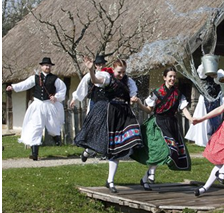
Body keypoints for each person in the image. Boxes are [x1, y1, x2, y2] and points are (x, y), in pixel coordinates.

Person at [74, 57, 142, 193]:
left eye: (123, 72)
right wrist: (90, 70)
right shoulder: (107, 77)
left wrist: (133, 99)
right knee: (99, 140)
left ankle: (110, 180)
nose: (121, 75)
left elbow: (132, 96)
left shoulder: (129, 81)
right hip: (108, 112)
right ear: (113, 69)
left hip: (122, 114)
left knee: (117, 147)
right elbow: (95, 81)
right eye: (119, 72)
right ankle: (88, 151)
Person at [130, 66, 193, 191]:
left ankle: (145, 178)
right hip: (158, 123)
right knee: (162, 149)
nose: (172, 79)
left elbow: (184, 109)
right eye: (170, 76)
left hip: (171, 124)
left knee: (170, 150)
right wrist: (139, 103)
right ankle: (151, 174)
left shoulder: (178, 94)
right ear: (164, 77)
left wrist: (191, 119)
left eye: (174, 76)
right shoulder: (157, 92)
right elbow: (149, 110)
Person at [6, 57, 66, 160]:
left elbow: (62, 89)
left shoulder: (55, 79)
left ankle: (57, 139)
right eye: (45, 65)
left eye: (49, 65)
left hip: (49, 105)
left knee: (53, 126)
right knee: (36, 127)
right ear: (41, 66)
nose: (47, 67)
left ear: (51, 67)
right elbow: (25, 84)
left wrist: (55, 97)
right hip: (38, 105)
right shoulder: (35, 78)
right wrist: (13, 87)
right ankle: (34, 154)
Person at [185, 63, 223, 147]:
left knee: (215, 121)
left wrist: (215, 74)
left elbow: (218, 80)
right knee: (204, 122)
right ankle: (205, 141)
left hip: (216, 100)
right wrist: (206, 63)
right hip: (205, 100)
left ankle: (214, 140)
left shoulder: (220, 72)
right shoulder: (203, 73)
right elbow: (201, 72)